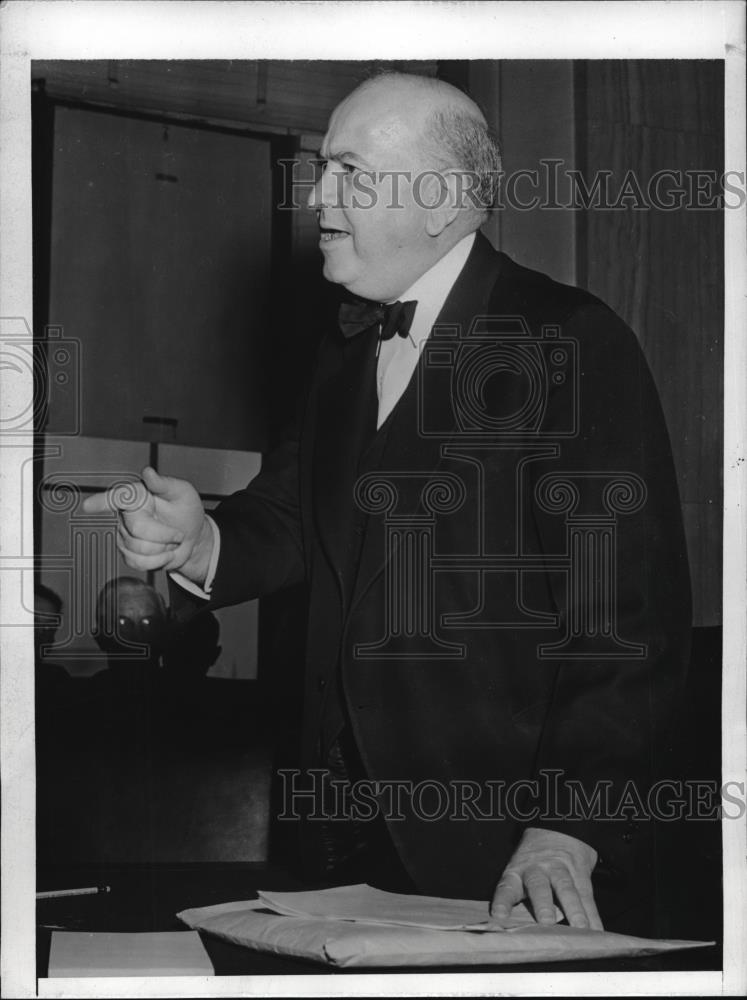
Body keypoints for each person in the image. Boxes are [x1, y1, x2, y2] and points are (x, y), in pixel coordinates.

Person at [83, 72, 691, 934]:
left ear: (440, 200)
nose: (316, 195)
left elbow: (629, 621)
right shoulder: (343, 350)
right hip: (336, 849)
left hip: (515, 862)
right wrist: (200, 542)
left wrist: (568, 825)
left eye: (349, 171)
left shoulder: (572, 340)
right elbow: (292, 519)